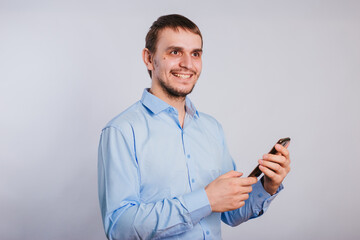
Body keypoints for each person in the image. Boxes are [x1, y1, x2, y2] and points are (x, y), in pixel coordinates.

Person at [98, 14, 291, 240]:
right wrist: (205, 200)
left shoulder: (211, 128)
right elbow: (119, 228)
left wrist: (268, 186)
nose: (188, 64)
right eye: (175, 52)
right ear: (149, 59)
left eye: (195, 54)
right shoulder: (121, 131)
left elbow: (230, 213)